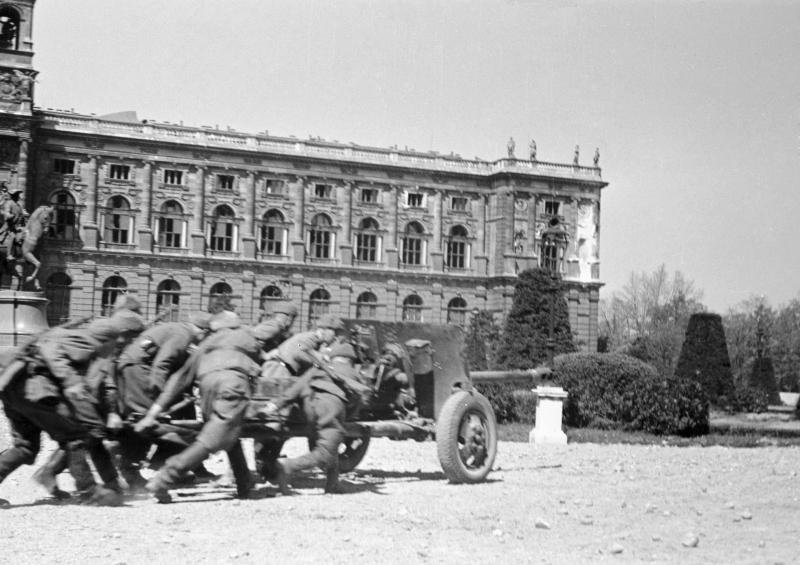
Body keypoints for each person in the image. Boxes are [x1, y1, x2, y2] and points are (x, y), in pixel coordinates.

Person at [0, 309, 145, 506]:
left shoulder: (73, 338)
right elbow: (50, 350)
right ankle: (89, 491)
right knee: (75, 439)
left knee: (25, 447)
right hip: (35, 391)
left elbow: (98, 386)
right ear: (112, 338)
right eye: (126, 339)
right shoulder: (87, 342)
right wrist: (71, 381)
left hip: (16, 393)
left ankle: (99, 488)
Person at [143, 311, 265, 503]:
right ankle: (165, 477)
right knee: (213, 438)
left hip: (206, 387)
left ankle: (244, 486)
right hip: (232, 384)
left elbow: (181, 378)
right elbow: (262, 363)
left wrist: (153, 413)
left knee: (227, 433)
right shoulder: (246, 335)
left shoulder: (206, 344)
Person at [114, 311, 213, 489]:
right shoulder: (183, 335)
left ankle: (167, 467)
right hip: (138, 370)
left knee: (150, 421)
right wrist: (161, 398)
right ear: (203, 332)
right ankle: (131, 471)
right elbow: (162, 365)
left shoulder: (178, 330)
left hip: (133, 367)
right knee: (148, 421)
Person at [264, 342, 364, 494]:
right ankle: (288, 465)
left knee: (329, 443)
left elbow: (296, 388)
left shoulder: (319, 368)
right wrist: (346, 416)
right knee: (326, 451)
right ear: (349, 360)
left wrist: (274, 406)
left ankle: (333, 484)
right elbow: (357, 401)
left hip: (307, 407)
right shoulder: (352, 372)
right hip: (330, 407)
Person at [255, 314, 342, 482]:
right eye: (334, 332)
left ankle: (266, 462)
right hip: (278, 372)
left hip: (279, 370)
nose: (335, 337)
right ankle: (264, 460)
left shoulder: (308, 339)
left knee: (277, 419)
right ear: (324, 330)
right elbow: (299, 351)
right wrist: (321, 358)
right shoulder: (309, 338)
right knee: (276, 419)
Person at [0, 189, 26, 258]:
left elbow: (22, 213)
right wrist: (11, 216)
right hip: (10, 225)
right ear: (13, 196)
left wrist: (24, 216)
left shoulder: (18, 204)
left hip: (18, 226)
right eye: (16, 195)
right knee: (13, 236)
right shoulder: (9, 203)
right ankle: (9, 254)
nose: (18, 196)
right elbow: (6, 213)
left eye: (18, 195)